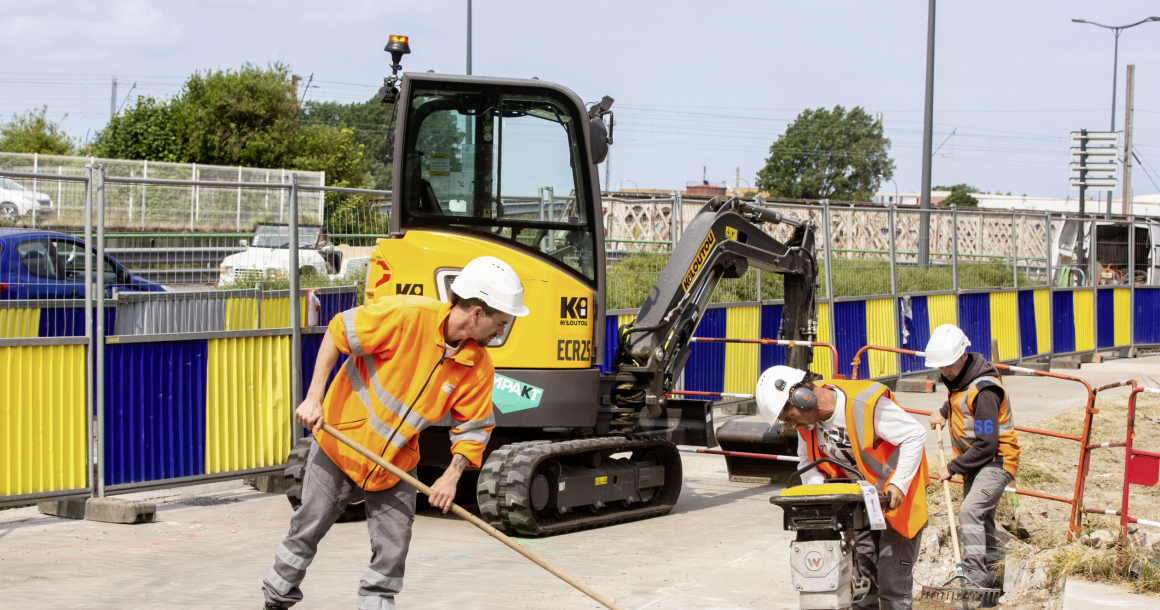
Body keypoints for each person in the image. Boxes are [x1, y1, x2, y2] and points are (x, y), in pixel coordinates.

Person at [262, 256, 530, 610]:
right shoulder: (405, 315)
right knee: (307, 527)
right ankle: (277, 598)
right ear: (477, 312)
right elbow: (338, 331)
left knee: (394, 545)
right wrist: (313, 398)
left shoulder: (477, 366)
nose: (500, 331)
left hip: (396, 461)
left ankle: (377, 604)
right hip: (340, 444)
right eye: (500, 322)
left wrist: (451, 476)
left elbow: (475, 427)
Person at [756, 365, 929, 610]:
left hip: (898, 500)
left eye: (791, 418)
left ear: (803, 399)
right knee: (860, 579)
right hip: (862, 504)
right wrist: (818, 491)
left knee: (892, 582)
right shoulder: (808, 426)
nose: (793, 426)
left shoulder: (864, 406)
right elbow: (807, 462)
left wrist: (899, 484)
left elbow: (914, 434)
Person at [926, 324, 1019, 594]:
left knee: (969, 512)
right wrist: (944, 411)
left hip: (996, 461)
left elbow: (988, 444)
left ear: (964, 354)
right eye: (941, 366)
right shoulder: (960, 380)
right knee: (983, 517)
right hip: (977, 463)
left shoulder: (985, 392)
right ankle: (992, 569)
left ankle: (975, 577)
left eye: (949, 365)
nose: (945, 371)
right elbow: (958, 400)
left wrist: (952, 467)